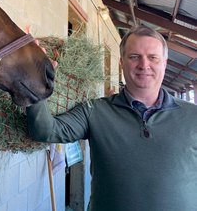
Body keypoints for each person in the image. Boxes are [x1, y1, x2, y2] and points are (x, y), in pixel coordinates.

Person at [27, 26, 197, 211]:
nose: (144, 65)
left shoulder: (192, 116)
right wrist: (34, 80)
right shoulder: (95, 111)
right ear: (121, 62)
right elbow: (45, 130)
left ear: (164, 63)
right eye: (134, 56)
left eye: (153, 57)